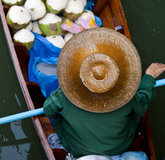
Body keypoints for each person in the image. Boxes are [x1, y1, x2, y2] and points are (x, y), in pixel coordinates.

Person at [43, 28, 165, 159]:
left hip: (78, 150)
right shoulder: (127, 97)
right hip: (118, 148)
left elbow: (48, 110)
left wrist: (66, 91)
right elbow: (141, 105)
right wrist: (149, 77)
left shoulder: (63, 97)